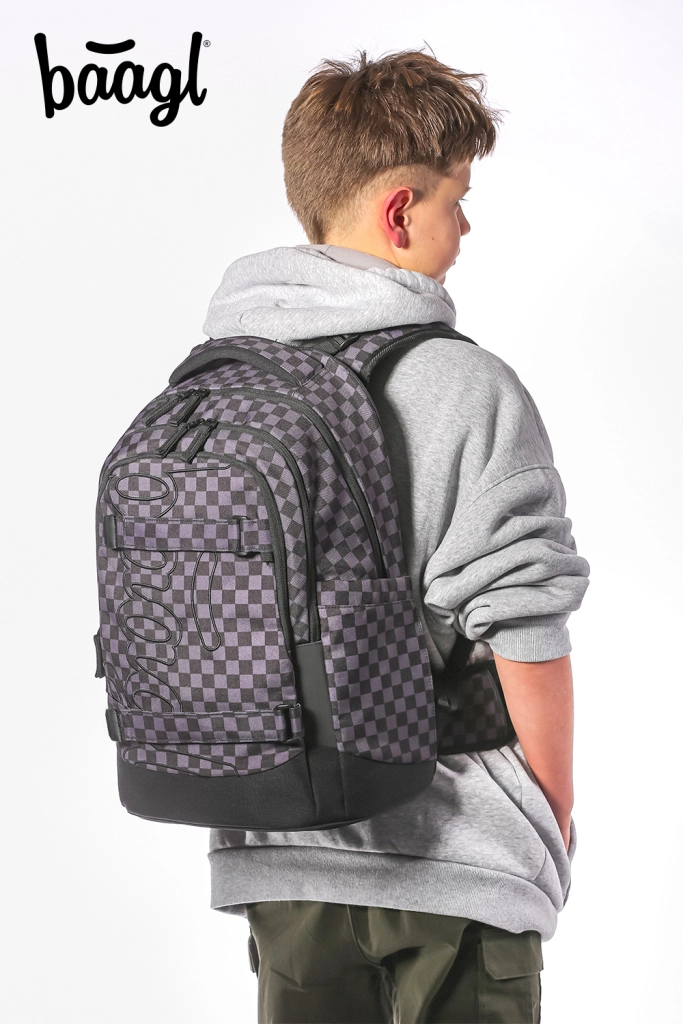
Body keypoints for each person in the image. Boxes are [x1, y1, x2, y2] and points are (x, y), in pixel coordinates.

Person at [203, 49, 590, 1024]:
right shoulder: (465, 386)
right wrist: (547, 812)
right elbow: (524, 621)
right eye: (457, 200)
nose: (464, 228)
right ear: (399, 211)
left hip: (279, 861)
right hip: (453, 863)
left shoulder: (218, 384)